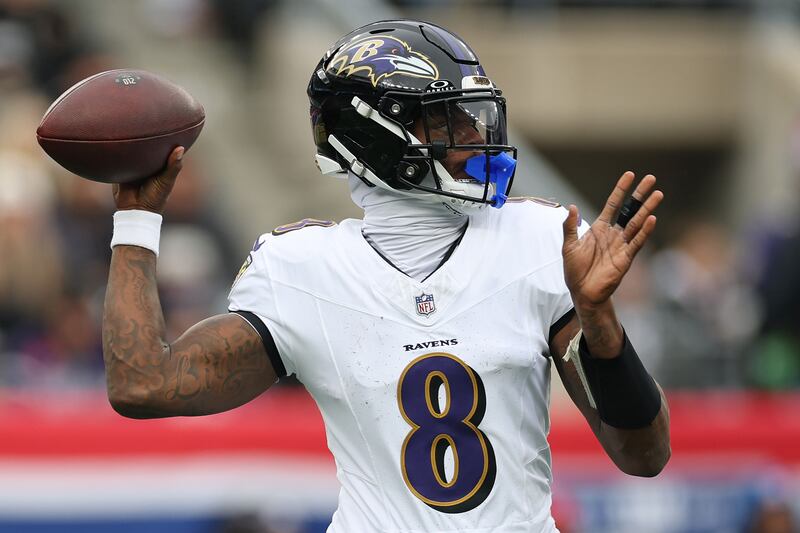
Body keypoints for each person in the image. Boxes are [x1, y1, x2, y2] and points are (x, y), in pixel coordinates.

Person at [102, 19, 670, 532]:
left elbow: (644, 456)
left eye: (472, 117)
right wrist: (135, 219)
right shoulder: (304, 268)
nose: (474, 137)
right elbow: (143, 384)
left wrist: (600, 320)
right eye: (448, 120)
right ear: (375, 134)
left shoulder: (539, 240)